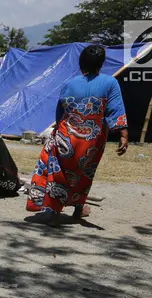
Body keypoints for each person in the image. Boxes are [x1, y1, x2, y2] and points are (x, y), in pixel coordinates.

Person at [26, 44, 129, 225]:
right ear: (102, 63)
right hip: (92, 141)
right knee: (83, 174)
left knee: (57, 172)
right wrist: (123, 134)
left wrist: (60, 129)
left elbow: (60, 112)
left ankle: (52, 210)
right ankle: (78, 208)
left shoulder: (69, 84)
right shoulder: (110, 83)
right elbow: (115, 109)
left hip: (66, 136)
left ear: (81, 63)